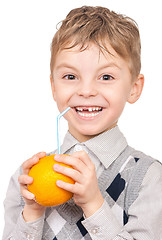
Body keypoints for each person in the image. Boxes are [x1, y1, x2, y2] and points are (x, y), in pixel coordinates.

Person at [3, 5, 162, 240]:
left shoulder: (148, 177)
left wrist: (94, 205)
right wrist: (33, 212)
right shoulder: (26, 179)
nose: (86, 91)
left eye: (106, 77)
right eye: (70, 76)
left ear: (134, 88)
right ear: (53, 87)